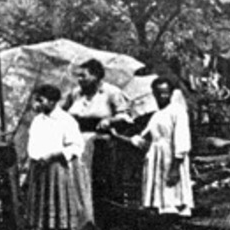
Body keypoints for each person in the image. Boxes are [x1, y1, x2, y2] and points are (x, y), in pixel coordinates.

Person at [25, 84, 95, 230]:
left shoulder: (66, 121)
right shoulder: (38, 120)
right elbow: (33, 143)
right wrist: (36, 158)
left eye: (41, 100)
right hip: (40, 170)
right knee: (45, 216)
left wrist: (55, 154)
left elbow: (76, 146)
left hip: (58, 170)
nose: (38, 104)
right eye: (37, 100)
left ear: (53, 101)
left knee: (61, 215)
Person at [62, 58, 133, 221]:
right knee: (77, 185)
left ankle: (105, 226)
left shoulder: (111, 92)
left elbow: (126, 115)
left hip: (102, 145)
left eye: (83, 76)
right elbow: (63, 113)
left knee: (100, 187)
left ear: (96, 76)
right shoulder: (75, 93)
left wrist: (110, 120)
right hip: (78, 143)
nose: (80, 80)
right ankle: (79, 224)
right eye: (78, 76)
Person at [128, 77, 194, 217]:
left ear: (171, 93)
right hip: (156, 156)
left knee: (172, 193)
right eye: (158, 93)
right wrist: (117, 135)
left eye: (165, 92)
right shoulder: (156, 115)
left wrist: (175, 167)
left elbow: (182, 140)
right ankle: (160, 216)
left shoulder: (178, 111)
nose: (162, 96)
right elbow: (143, 139)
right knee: (158, 194)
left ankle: (175, 215)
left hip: (171, 155)